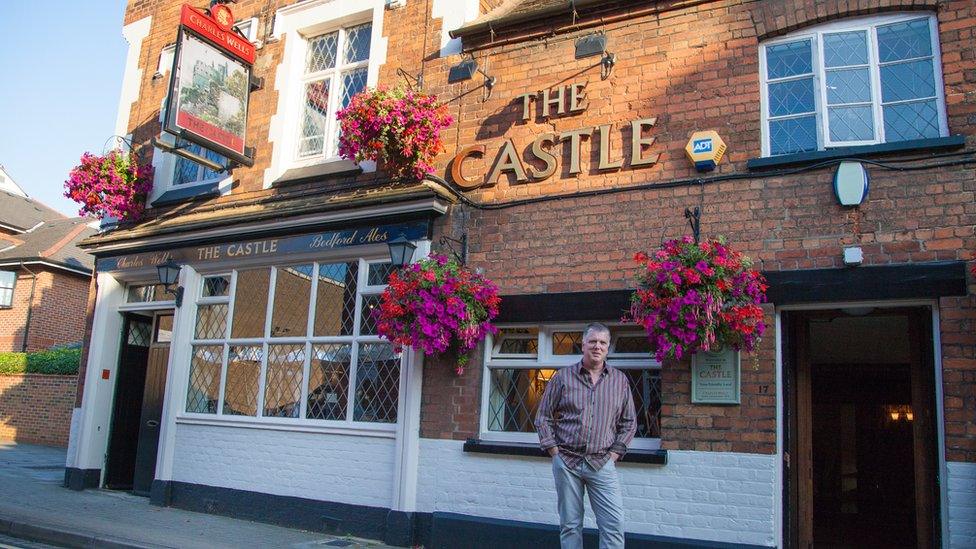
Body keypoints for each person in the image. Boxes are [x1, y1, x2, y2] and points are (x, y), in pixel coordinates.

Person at [535, 322, 637, 549]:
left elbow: (629, 422)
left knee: (613, 524)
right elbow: (543, 417)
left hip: (602, 462)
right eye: (592, 342)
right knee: (570, 525)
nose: (597, 347)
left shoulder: (619, 381)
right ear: (583, 345)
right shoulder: (562, 378)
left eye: (602, 342)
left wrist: (614, 455)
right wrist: (554, 452)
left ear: (608, 347)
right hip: (567, 462)